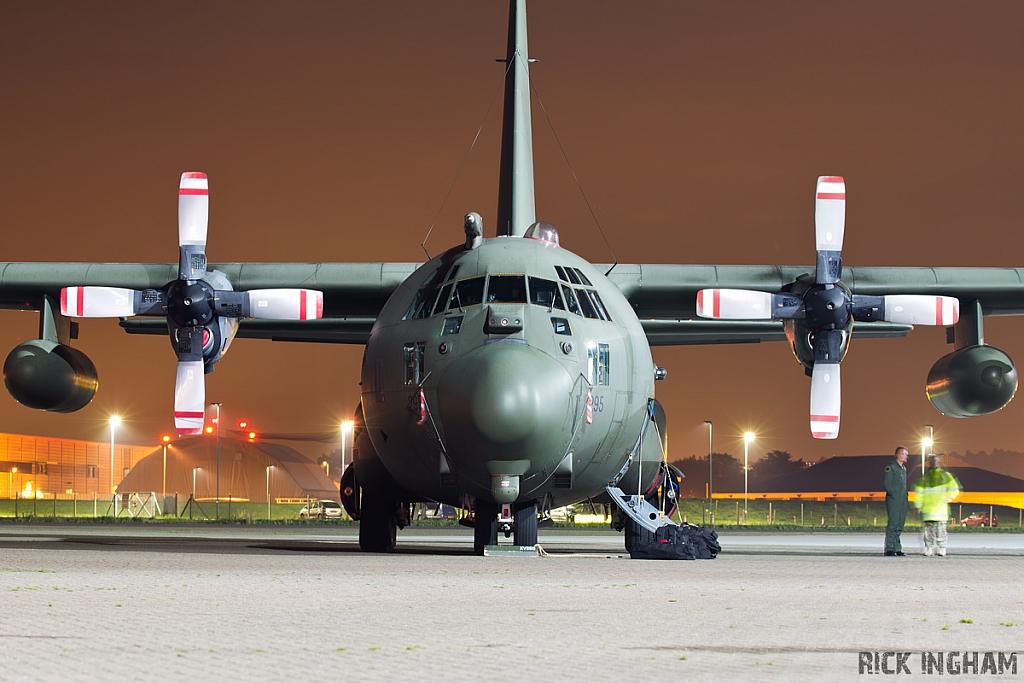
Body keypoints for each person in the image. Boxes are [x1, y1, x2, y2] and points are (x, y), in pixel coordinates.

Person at [914, 454, 962, 556]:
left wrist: (948, 498)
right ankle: (929, 548)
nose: (933, 463)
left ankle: (942, 547)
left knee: (941, 530)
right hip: (928, 510)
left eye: (935, 461)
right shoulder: (925, 477)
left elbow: (955, 489)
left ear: (939, 462)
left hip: (940, 510)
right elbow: (919, 492)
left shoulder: (945, 475)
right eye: (931, 461)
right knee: (928, 531)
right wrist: (919, 506)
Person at [883, 446, 909, 556]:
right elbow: (888, 485)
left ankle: (897, 548)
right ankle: (889, 548)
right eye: (904, 454)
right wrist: (894, 494)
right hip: (894, 500)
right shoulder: (891, 467)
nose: (906, 456)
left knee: (900, 523)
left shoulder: (903, 468)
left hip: (902, 499)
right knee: (893, 523)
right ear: (898, 455)